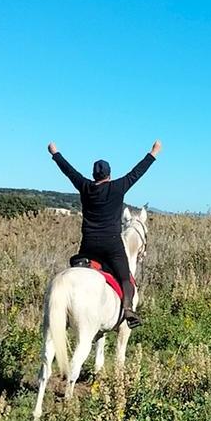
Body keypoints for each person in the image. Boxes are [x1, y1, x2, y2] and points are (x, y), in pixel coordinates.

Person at [48, 140, 161, 328]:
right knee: (126, 278)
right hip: (111, 245)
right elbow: (137, 172)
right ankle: (127, 310)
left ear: (93, 175)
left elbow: (69, 171)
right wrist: (153, 153)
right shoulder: (118, 187)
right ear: (109, 175)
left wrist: (55, 153)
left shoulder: (85, 186)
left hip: (88, 246)